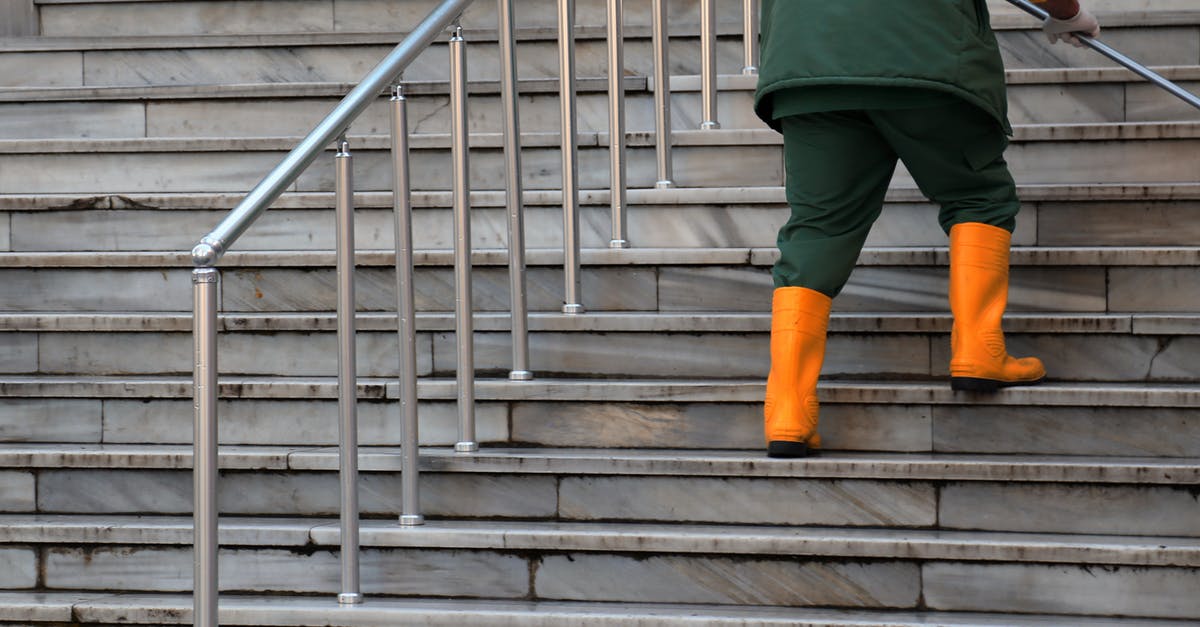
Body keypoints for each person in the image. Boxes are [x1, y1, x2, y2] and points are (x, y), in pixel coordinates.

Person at [755, 0, 1101, 459]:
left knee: (818, 230)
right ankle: (980, 349)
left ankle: (788, 413)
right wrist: (1066, 12)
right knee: (979, 196)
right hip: (924, 51)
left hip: (810, 62)